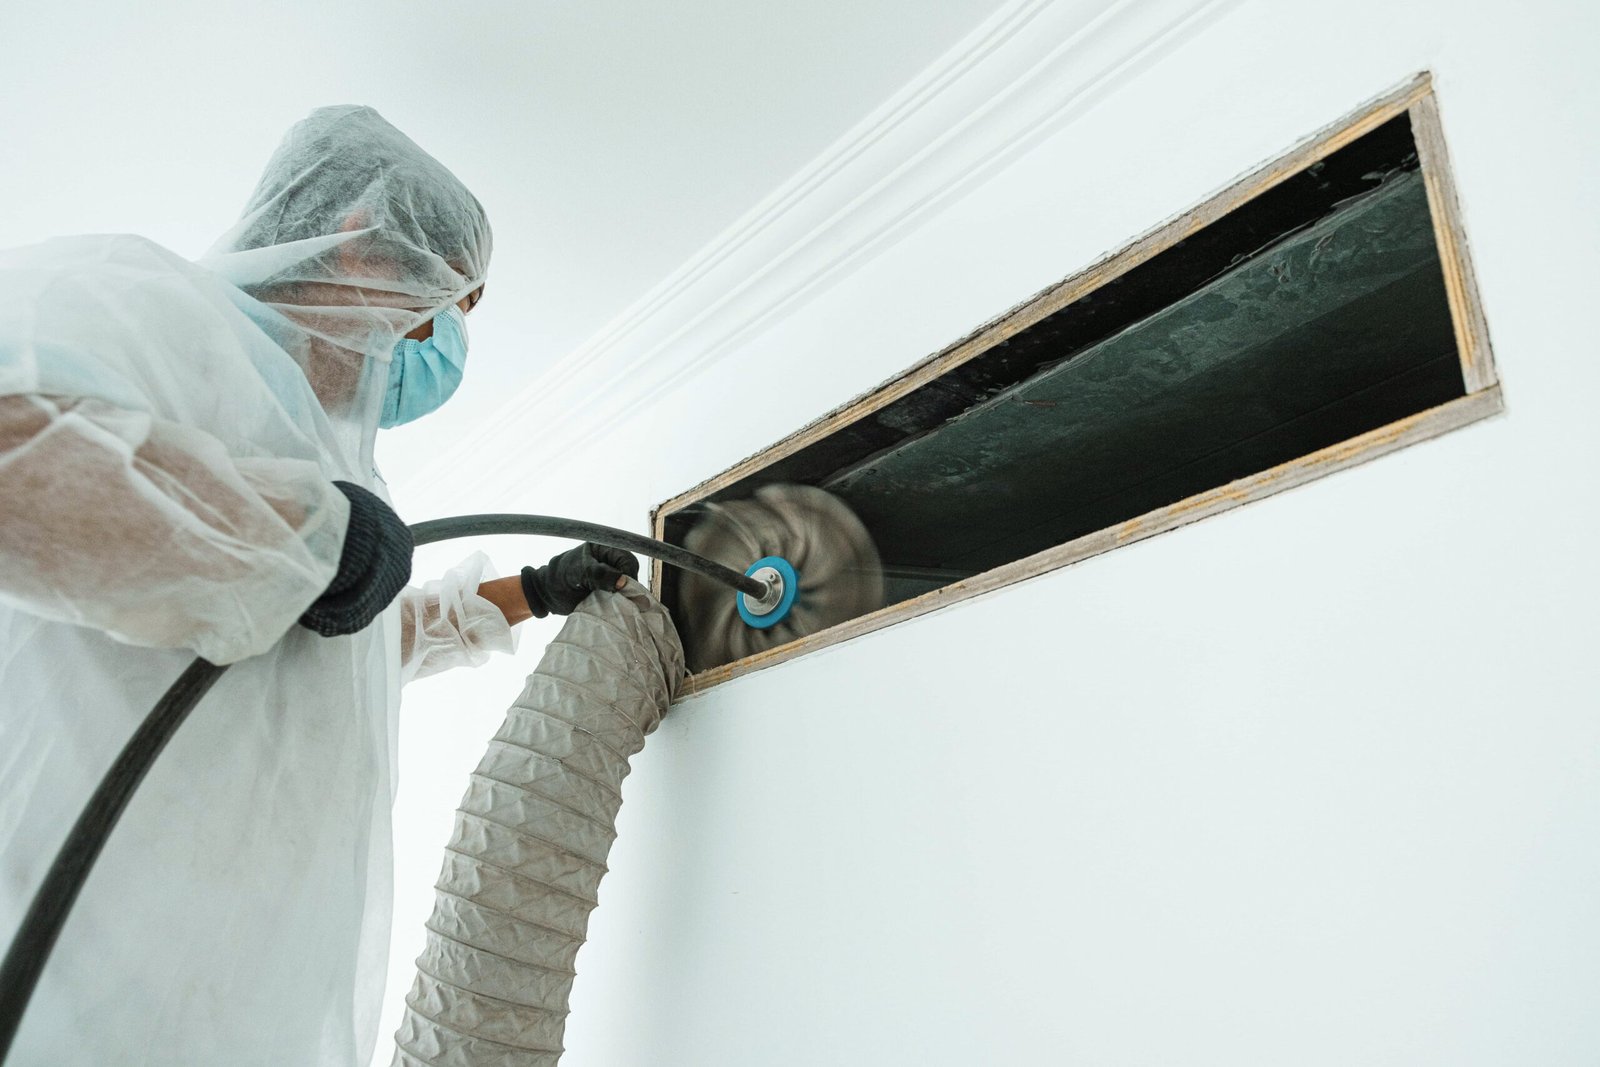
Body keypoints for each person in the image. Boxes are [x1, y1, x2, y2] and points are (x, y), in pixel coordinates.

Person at [0, 105, 636, 1065]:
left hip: (235, 1019)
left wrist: (532, 593)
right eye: (442, 310)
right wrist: (305, 539)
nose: (436, 353)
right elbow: (19, 458)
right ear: (359, 245)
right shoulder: (144, 305)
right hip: (63, 990)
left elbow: (342, 648)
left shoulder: (323, 461)